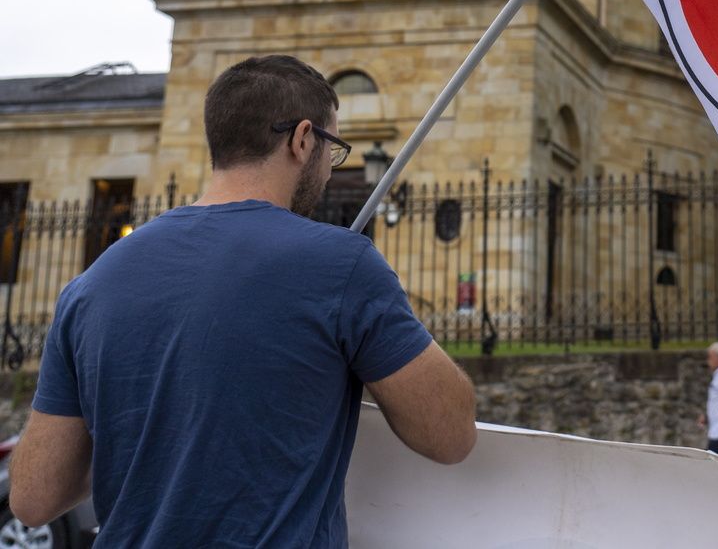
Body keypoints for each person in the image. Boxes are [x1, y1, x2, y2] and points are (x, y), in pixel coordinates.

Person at [11, 54, 477, 545]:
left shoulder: (91, 286)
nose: (328, 168)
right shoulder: (342, 266)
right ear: (302, 139)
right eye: (331, 148)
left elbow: (34, 496)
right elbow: (450, 435)